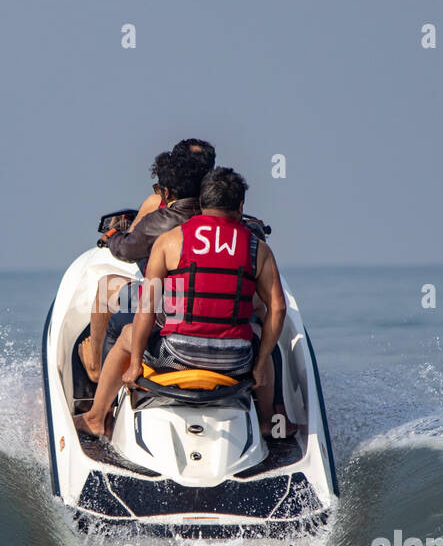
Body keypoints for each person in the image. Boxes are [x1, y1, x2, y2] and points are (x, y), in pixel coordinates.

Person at [77, 167, 286, 437]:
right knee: (263, 343)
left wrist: (135, 364)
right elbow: (277, 309)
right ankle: (269, 422)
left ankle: (96, 417)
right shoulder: (258, 249)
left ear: (201, 203)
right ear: (240, 205)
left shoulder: (170, 241)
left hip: (177, 356)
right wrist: (258, 366)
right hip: (237, 361)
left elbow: (147, 308)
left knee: (126, 334)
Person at [78, 139, 216, 381]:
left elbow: (130, 247)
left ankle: (97, 371)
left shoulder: (158, 211)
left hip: (168, 306)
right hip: (214, 311)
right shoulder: (222, 212)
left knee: (106, 289)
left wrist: (111, 237)